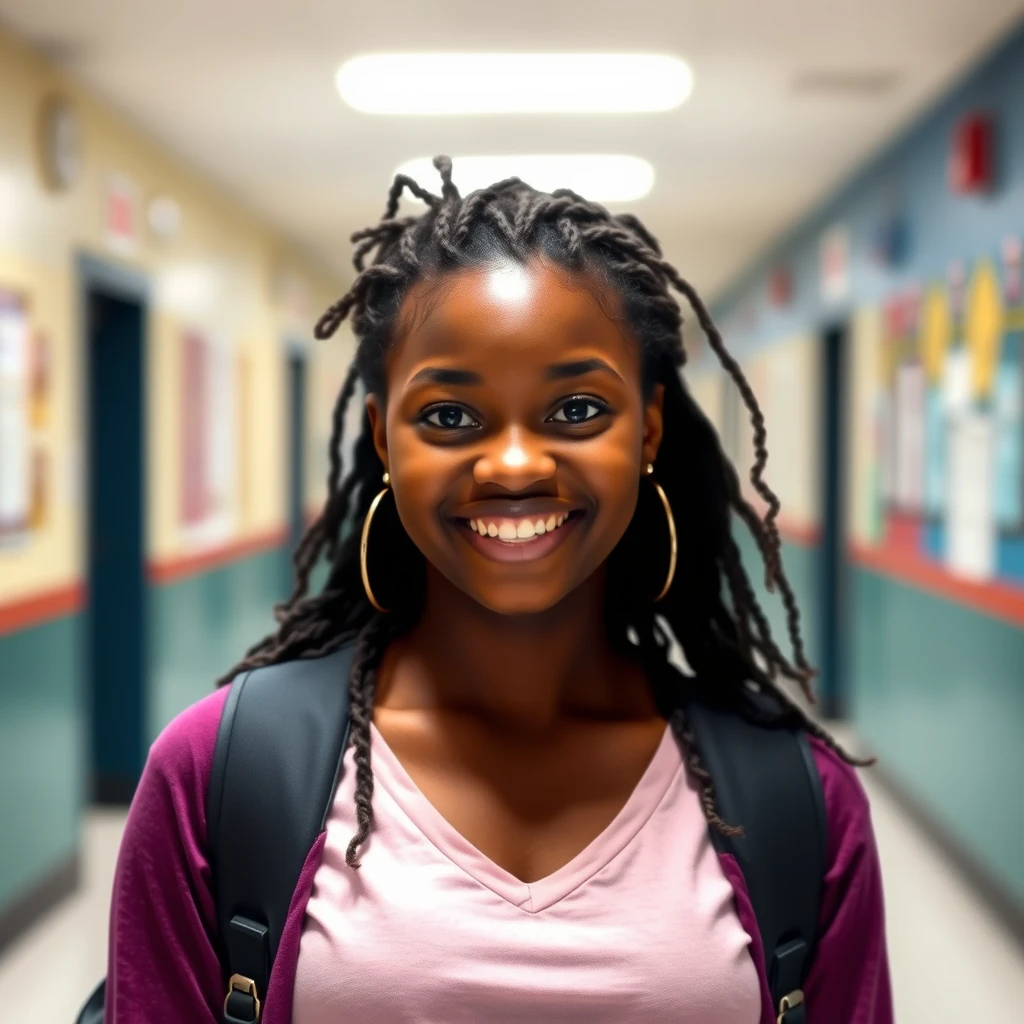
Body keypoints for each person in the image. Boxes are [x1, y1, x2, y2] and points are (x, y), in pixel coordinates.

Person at [105, 156, 892, 1024]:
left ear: (649, 430)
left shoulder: (798, 800)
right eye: (449, 416)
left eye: (577, 410)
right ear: (384, 438)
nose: (515, 464)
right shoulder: (221, 775)